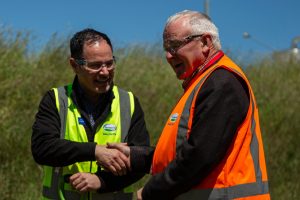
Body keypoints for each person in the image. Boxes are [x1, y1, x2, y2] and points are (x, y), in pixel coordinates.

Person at [110, 10, 270, 199]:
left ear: (205, 42)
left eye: (175, 45)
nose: (168, 56)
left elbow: (198, 157)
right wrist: (137, 157)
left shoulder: (221, 82)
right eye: (165, 48)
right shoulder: (202, 83)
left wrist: (148, 193)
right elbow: (181, 152)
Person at [31, 28, 150, 199]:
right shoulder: (56, 100)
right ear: (74, 65)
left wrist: (102, 181)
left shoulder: (129, 103)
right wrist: (95, 151)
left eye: (109, 63)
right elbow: (42, 148)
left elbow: (142, 161)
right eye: (95, 65)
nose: (105, 72)